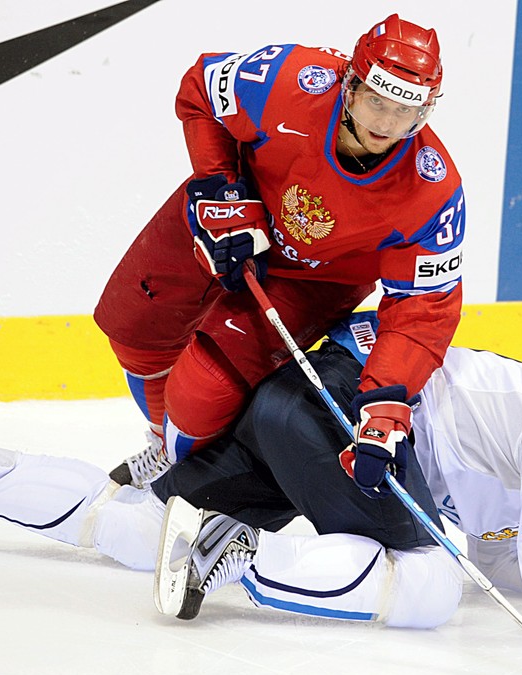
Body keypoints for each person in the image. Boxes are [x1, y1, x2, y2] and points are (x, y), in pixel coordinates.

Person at [0, 313, 522, 649]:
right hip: (342, 412)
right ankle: (235, 557)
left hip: (298, 398)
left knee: (149, 525)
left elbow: (508, 559)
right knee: (430, 586)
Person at [92, 13, 466, 495]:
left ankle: (174, 461)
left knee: (201, 392)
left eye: (406, 111)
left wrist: (385, 401)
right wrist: (222, 188)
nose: (388, 123)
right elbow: (200, 90)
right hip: (227, 214)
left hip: (315, 278)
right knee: (135, 328)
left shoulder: (432, 192)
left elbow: (423, 308)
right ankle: (165, 444)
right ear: (350, 83)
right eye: (377, 101)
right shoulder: (287, 79)